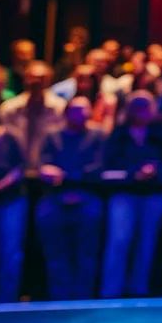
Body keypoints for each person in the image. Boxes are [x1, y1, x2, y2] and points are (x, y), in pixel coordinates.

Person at [100, 90, 162, 298]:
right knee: (119, 239)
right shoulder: (119, 133)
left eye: (145, 105)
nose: (141, 110)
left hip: (154, 193)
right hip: (124, 192)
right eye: (137, 105)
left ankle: (139, 290)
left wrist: (154, 169)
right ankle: (111, 292)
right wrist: (134, 173)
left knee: (147, 241)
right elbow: (108, 165)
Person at [35, 96, 107, 300]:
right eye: (76, 110)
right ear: (66, 113)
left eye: (85, 109)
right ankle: (60, 300)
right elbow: (42, 162)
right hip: (54, 200)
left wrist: (68, 177)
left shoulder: (98, 135)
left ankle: (83, 300)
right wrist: (47, 171)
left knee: (87, 255)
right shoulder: (51, 136)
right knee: (56, 256)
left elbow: (99, 166)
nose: (82, 113)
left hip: (87, 199)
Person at [0, 61, 66, 169]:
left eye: (42, 78)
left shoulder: (61, 108)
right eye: (33, 77)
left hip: (48, 171)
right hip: (13, 170)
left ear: (49, 80)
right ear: (25, 79)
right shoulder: (9, 109)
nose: (37, 82)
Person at [0, 105, 26, 302]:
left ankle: (7, 301)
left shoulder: (9, 137)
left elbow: (18, 169)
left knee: (9, 252)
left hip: (11, 201)